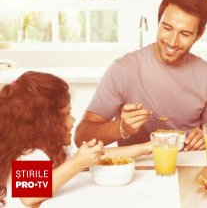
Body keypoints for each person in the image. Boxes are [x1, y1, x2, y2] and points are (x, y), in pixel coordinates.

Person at [74, 0, 207, 151]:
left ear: (199, 34)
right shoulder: (122, 70)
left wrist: (206, 135)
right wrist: (121, 127)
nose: (172, 42)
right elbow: (81, 137)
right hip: (138, 169)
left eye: (184, 34)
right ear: (158, 22)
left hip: (190, 167)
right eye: (167, 28)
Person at [0, 71, 153, 207]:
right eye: (66, 114)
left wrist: (145, 148)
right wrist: (78, 162)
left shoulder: (50, 149)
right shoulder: (28, 154)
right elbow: (29, 195)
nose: (72, 119)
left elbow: (98, 155)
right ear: (44, 124)